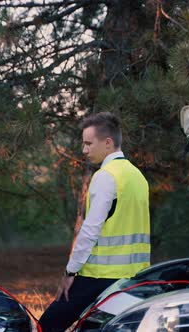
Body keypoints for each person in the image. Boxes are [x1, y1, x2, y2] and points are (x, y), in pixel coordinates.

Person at [39, 112, 150, 331]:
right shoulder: (138, 176)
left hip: (100, 277)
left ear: (108, 143)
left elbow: (90, 230)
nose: (84, 150)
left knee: (47, 325)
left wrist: (70, 272)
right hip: (134, 278)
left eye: (89, 143)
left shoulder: (106, 176)